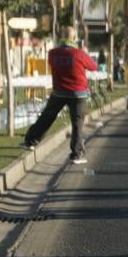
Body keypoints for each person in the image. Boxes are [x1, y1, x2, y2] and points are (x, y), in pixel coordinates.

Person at [22, 25, 99, 164]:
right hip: (78, 93)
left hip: (59, 92)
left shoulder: (52, 53)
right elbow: (94, 66)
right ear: (74, 38)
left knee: (47, 116)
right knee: (77, 123)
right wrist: (84, 52)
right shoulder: (79, 54)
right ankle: (76, 154)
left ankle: (31, 140)